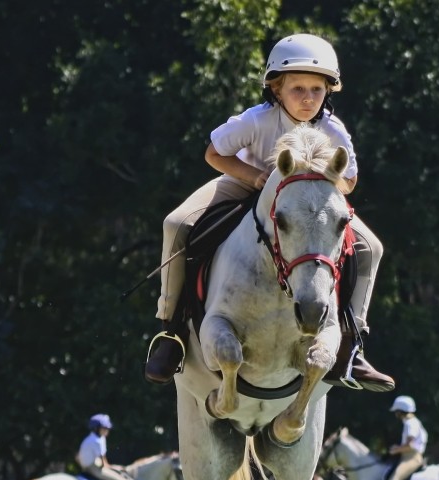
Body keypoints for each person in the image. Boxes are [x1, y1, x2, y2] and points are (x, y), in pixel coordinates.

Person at [145, 33, 394, 393]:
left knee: (373, 248)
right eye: (297, 89)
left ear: (329, 91)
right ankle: (171, 330)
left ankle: (351, 346)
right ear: (277, 89)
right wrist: (256, 177)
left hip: (305, 201)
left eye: (317, 89)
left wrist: (310, 185)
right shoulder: (256, 119)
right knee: (177, 223)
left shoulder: (332, 129)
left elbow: (350, 181)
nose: (308, 98)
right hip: (248, 184)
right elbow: (214, 154)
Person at [76, 414, 134, 480]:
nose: (107, 430)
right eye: (104, 428)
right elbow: (105, 465)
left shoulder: (88, 439)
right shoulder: (98, 441)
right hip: (94, 469)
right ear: (97, 428)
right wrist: (118, 468)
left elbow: (77, 457)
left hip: (86, 467)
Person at [387, 396, 428, 480]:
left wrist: (395, 450)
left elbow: (409, 446)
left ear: (401, 411)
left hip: (412, 458)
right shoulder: (412, 422)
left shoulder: (410, 424)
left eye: (396, 411)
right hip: (408, 456)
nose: (396, 414)